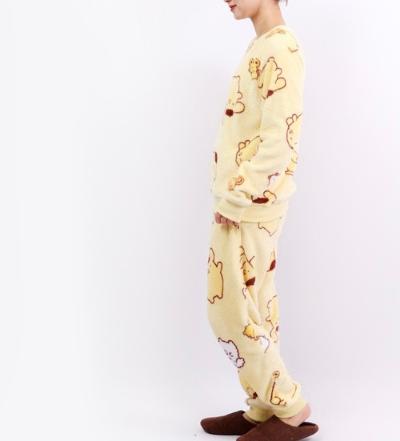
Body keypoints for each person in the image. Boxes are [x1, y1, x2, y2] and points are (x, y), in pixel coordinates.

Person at [201, 1, 319, 440]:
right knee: (256, 307)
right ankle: (263, 405)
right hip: (245, 202)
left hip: (248, 205)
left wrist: (237, 197)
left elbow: (278, 142)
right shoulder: (263, 46)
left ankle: (289, 405)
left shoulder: (281, 48)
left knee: (228, 311)